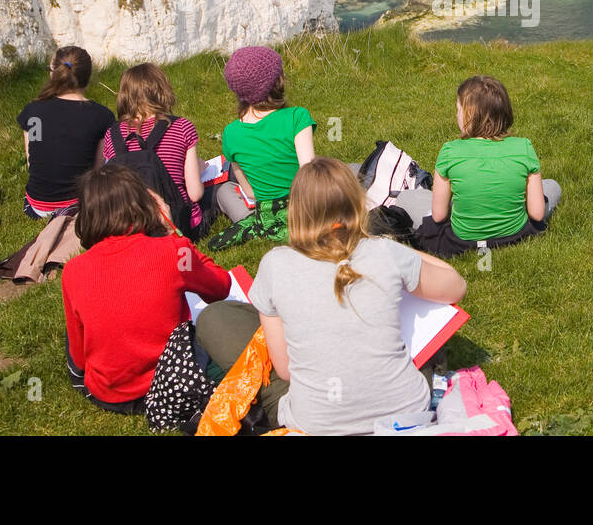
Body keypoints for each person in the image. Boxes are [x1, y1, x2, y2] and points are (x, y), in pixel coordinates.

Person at [196, 158, 466, 435]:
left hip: (314, 423)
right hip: (405, 408)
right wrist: (399, 251)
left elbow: (286, 370)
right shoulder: (383, 252)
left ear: (296, 211)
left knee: (215, 318)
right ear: (357, 204)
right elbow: (456, 286)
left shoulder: (275, 264)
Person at [61, 163, 230, 413]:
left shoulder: (73, 270)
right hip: (174, 382)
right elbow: (220, 286)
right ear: (143, 203)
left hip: (109, 394)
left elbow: (78, 354)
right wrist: (175, 235)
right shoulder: (171, 251)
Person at [401, 75, 560, 258]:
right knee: (552, 186)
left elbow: (438, 216)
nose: (456, 115)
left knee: (407, 197)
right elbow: (537, 214)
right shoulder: (524, 147)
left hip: (463, 240)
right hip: (514, 235)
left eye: (458, 110)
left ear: (470, 115)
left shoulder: (449, 151)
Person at [102, 62, 213, 238]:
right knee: (213, 191)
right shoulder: (182, 127)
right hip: (175, 224)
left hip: (128, 226)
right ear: (163, 91)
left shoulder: (112, 134)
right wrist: (198, 171)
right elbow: (195, 193)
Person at [216, 46, 315, 223]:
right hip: (302, 210)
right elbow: (310, 173)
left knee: (224, 191)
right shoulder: (297, 116)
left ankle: (248, 221)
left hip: (266, 213)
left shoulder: (230, 132)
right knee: (349, 169)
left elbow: (249, 192)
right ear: (277, 82)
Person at [15, 46, 115, 220]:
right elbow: (98, 171)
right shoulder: (101, 116)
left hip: (37, 206)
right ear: (88, 76)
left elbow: (32, 161)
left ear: (54, 74)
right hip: (81, 206)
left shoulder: (33, 111)